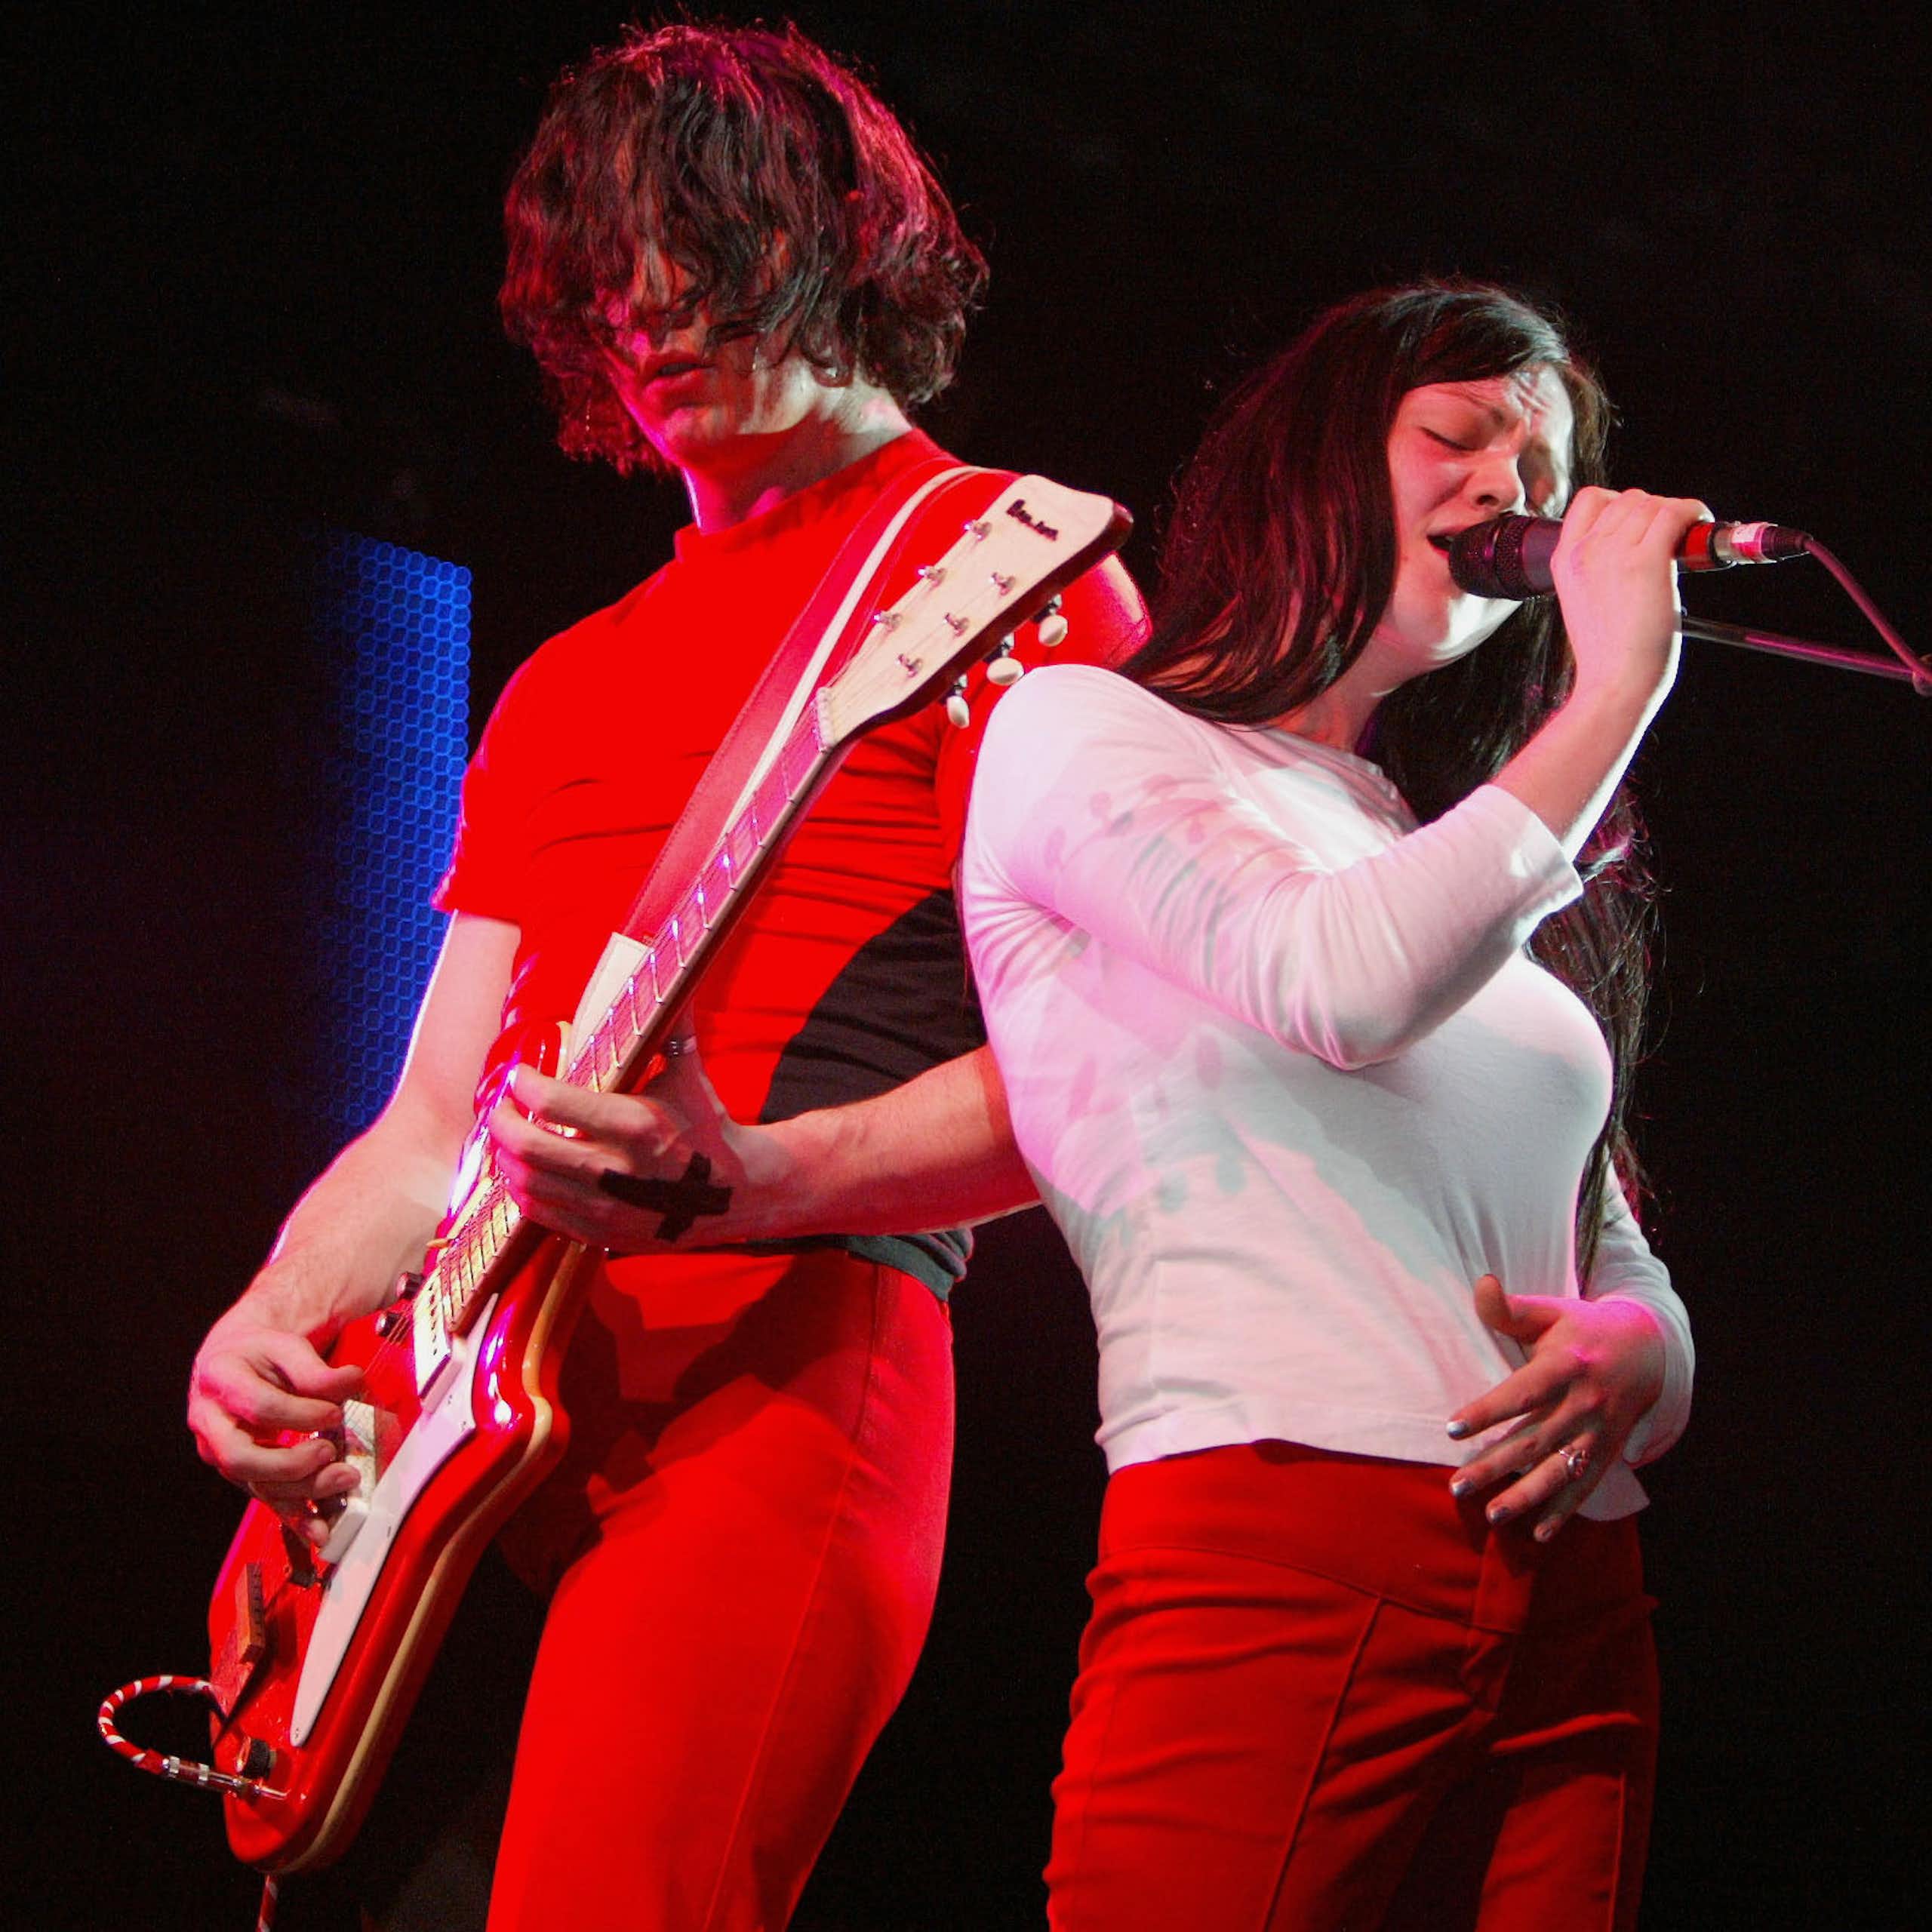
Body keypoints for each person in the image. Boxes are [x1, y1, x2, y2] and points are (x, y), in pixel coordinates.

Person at [185, 23, 1144, 1930]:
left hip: (783, 1376)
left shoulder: (1012, 576)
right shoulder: (566, 676)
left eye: (695, 238)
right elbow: (429, 1118)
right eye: (599, 264)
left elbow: (1116, 1073)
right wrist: (272, 1315)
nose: (643, 301)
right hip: (453, 1416)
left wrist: (766, 1174)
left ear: (838, 238)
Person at [958, 281, 1697, 1930]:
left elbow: (1597, 1221)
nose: (1506, 485)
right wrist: (1610, 701)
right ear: (1310, 454)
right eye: (1454, 432)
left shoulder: (1441, 843)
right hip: (1282, 1532)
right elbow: (1332, 982)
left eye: (1539, 468)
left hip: (1577, 1580)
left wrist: (1646, 1357)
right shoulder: (1086, 730)